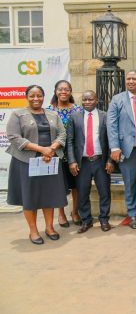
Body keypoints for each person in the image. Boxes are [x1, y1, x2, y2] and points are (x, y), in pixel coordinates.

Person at [6, 85, 67, 245]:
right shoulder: (18, 114)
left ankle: (49, 228)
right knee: (30, 197)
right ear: (27, 96)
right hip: (26, 162)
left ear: (43, 96)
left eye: (39, 95)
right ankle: (33, 231)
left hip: (50, 161)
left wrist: (52, 149)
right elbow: (14, 137)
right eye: (32, 95)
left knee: (50, 195)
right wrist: (41, 149)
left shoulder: (53, 114)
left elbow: (62, 134)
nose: (36, 99)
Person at [107, 70, 136, 229]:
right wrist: (114, 147)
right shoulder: (117, 100)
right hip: (128, 151)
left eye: (134, 79)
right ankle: (132, 215)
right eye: (128, 79)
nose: (131, 81)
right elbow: (111, 125)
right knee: (130, 185)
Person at [67, 90, 114, 233]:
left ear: (97, 100)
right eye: (85, 99)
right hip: (83, 162)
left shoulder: (105, 116)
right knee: (82, 193)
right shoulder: (74, 117)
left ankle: (104, 219)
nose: (87, 102)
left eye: (90, 99)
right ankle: (86, 221)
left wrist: (110, 160)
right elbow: (70, 141)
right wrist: (72, 161)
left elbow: (112, 140)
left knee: (104, 192)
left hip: (100, 160)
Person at [46, 80, 83, 227]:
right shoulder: (48, 110)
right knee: (60, 185)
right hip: (57, 153)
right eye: (60, 89)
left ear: (70, 92)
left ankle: (75, 212)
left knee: (76, 185)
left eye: (67, 89)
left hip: (74, 153)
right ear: (55, 91)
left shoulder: (78, 110)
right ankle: (61, 214)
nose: (63, 92)